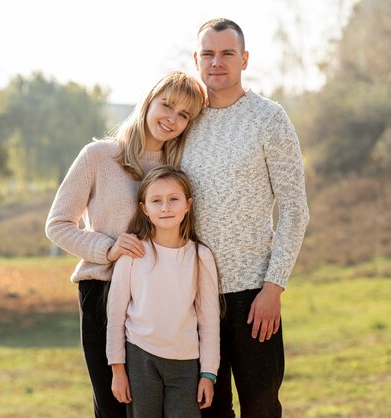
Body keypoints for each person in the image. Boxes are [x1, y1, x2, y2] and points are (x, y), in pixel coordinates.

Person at [46, 71, 206, 418]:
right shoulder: (98, 157)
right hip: (102, 291)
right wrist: (109, 248)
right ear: (149, 100)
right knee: (113, 407)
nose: (172, 119)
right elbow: (58, 225)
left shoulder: (176, 168)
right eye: (167, 105)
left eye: (184, 115)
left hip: (159, 301)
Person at [180, 18, 310, 418]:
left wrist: (274, 288)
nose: (216, 62)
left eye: (226, 54)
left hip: (254, 295)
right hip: (193, 294)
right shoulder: (185, 121)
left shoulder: (269, 118)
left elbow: (294, 210)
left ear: (244, 59)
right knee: (208, 410)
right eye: (208, 54)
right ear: (196, 60)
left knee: (261, 408)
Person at [106, 166, 220, 418]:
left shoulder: (200, 256)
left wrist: (208, 374)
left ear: (188, 204)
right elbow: (115, 316)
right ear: (144, 208)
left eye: (173, 199)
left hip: (186, 363)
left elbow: (209, 321)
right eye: (156, 201)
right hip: (140, 358)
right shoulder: (133, 254)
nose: (165, 207)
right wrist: (118, 369)